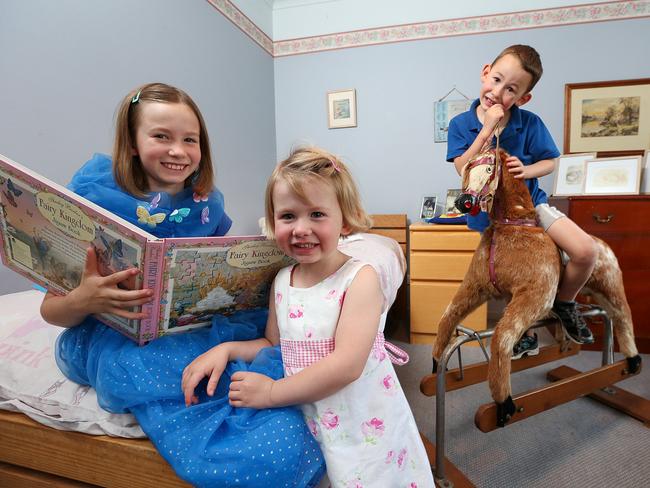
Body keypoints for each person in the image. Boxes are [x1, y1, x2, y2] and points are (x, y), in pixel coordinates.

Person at [41, 83, 324, 487]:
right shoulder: (95, 195)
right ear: (133, 142)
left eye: (190, 140)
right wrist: (84, 299)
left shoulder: (208, 202)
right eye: (161, 136)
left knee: (258, 346)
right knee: (155, 369)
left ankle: (261, 412)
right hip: (115, 334)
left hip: (191, 324)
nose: (178, 151)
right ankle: (237, 446)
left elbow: (211, 267)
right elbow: (51, 310)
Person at [182, 147, 435, 487]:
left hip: (359, 415)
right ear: (273, 223)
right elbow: (274, 343)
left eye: (317, 214)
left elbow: (347, 365)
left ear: (344, 220)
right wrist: (227, 350)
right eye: (288, 216)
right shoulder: (282, 281)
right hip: (308, 408)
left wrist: (272, 392)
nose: (301, 228)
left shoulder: (360, 277)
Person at [446, 45, 596, 359]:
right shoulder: (461, 124)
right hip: (490, 218)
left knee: (585, 251)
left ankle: (564, 302)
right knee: (510, 277)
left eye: (510, 89)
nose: (498, 92)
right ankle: (524, 334)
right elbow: (463, 167)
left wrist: (527, 169)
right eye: (496, 80)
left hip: (531, 209)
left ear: (522, 98)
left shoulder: (529, 123)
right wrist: (487, 127)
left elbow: (550, 162)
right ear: (485, 72)